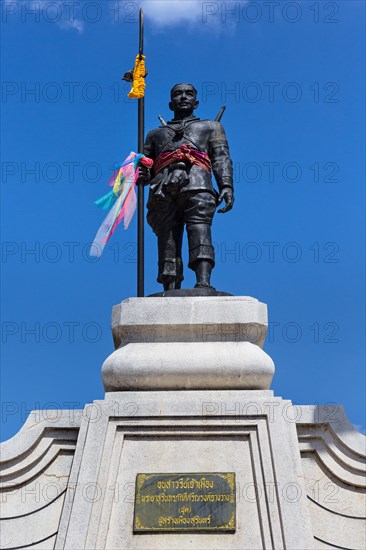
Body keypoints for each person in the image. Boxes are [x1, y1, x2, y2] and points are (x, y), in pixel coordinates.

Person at [140, 83, 234, 290]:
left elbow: (221, 158)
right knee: (167, 237)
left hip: (198, 185)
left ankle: (203, 281)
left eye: (188, 94)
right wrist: (142, 174)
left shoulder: (211, 127)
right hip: (162, 190)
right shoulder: (154, 134)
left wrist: (226, 185)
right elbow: (146, 165)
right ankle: (170, 285)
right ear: (170, 103)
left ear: (196, 102)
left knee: (200, 229)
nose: (183, 97)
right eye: (178, 94)